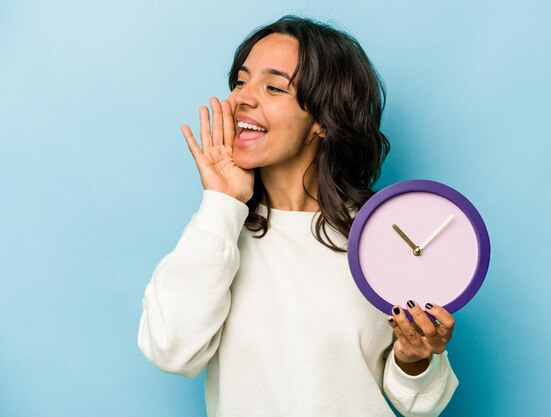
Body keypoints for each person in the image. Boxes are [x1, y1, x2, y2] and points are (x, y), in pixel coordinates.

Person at [138, 15, 459, 417]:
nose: (241, 99)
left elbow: (418, 403)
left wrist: (415, 357)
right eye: (240, 81)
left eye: (273, 87)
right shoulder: (217, 231)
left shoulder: (380, 235)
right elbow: (171, 350)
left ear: (323, 121)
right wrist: (223, 202)